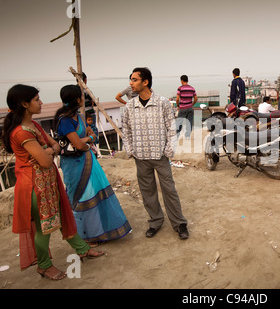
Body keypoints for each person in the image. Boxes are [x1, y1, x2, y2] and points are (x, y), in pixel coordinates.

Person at [1, 84, 104, 280]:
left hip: (46, 182)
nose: (41, 103)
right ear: (24, 104)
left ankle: (82, 249)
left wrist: (49, 150)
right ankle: (44, 266)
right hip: (34, 187)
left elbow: (56, 144)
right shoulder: (22, 132)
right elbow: (48, 159)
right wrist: (50, 151)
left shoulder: (34, 125)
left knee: (61, 217)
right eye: (37, 100)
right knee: (43, 228)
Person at [55, 85, 132, 246]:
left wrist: (86, 140)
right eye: (82, 96)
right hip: (75, 165)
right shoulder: (65, 120)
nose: (84, 99)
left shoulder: (78, 116)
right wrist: (88, 140)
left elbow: (90, 135)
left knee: (95, 194)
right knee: (82, 197)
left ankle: (99, 231)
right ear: (77, 99)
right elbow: (79, 144)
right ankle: (86, 236)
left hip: (88, 161)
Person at [122, 67, 189, 240]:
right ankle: (155, 221)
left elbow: (171, 128)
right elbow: (126, 130)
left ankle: (179, 223)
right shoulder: (130, 106)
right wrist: (130, 150)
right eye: (131, 79)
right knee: (147, 191)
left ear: (146, 82)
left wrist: (168, 150)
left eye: (134, 79)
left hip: (160, 156)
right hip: (141, 157)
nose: (131, 83)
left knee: (169, 190)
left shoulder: (162, 102)